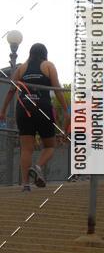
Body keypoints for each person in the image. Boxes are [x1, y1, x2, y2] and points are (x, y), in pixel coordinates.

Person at [0, 43, 69, 192]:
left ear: (30, 54)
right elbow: (57, 90)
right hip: (43, 108)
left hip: (24, 108)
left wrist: (3, 111)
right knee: (50, 145)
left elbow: (11, 90)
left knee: (26, 149)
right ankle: (37, 167)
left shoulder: (21, 68)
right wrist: (65, 109)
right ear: (45, 53)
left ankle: (25, 185)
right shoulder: (48, 65)